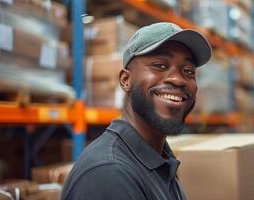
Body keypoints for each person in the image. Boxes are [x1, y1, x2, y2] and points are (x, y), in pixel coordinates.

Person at [61, 22, 212, 200]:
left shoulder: (160, 159)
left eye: (188, 71)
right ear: (126, 80)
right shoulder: (109, 175)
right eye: (160, 65)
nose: (178, 80)